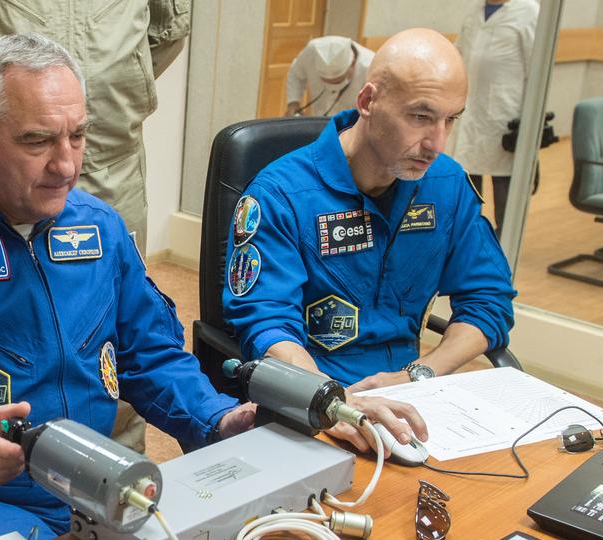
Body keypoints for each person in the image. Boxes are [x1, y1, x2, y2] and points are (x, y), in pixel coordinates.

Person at [0, 32, 261, 540]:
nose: (66, 165)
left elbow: (150, 357)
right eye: (37, 141)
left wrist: (219, 417)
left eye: (78, 136)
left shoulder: (99, 228)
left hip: (100, 480)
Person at [222, 28, 515, 452]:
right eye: (420, 116)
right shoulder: (282, 194)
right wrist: (334, 403)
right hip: (308, 404)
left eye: (450, 119)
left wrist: (421, 373)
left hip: (413, 398)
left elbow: (488, 298)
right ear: (367, 102)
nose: (437, 143)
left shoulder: (446, 184)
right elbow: (267, 323)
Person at [0, 2, 193, 456]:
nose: (64, 164)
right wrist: (16, 108)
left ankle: (113, 458)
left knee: (109, 334)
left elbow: (169, 31)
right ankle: (15, 452)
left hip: (113, 162)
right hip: (8, 137)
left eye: (71, 141)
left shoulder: (102, 218)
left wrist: (97, 105)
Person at [451, 0, 539, 233]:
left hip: (506, 118)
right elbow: (457, 54)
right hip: (470, 115)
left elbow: (537, 71)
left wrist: (532, 121)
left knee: (504, 190)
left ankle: (504, 249)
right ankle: (467, 246)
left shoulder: (528, 11)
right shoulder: (474, 13)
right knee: (467, 185)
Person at [285, 35, 374, 118]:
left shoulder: (370, 66)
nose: (332, 87)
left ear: (352, 64)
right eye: (325, 81)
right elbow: (296, 74)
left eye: (338, 81)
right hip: (318, 118)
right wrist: (293, 103)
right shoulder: (311, 52)